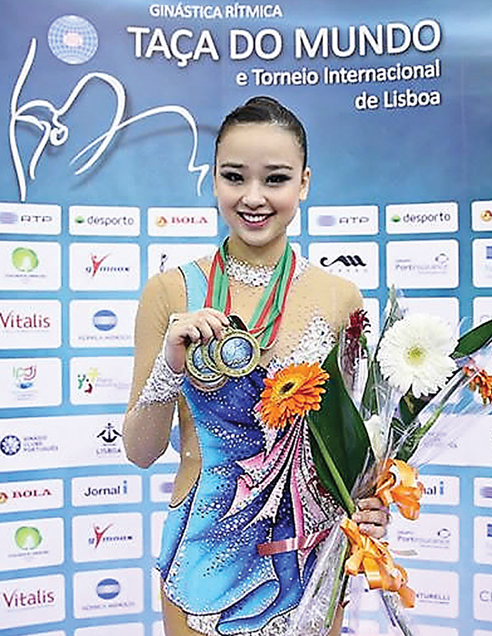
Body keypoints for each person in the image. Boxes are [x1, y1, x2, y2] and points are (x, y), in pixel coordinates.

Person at [123, 96, 389, 636]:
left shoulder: (341, 297)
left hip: (311, 554)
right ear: (213, 179)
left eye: (275, 179)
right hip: (203, 552)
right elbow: (141, 451)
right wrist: (170, 366)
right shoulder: (169, 291)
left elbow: (355, 445)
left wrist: (371, 502)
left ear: (304, 183)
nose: (253, 197)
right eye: (234, 176)